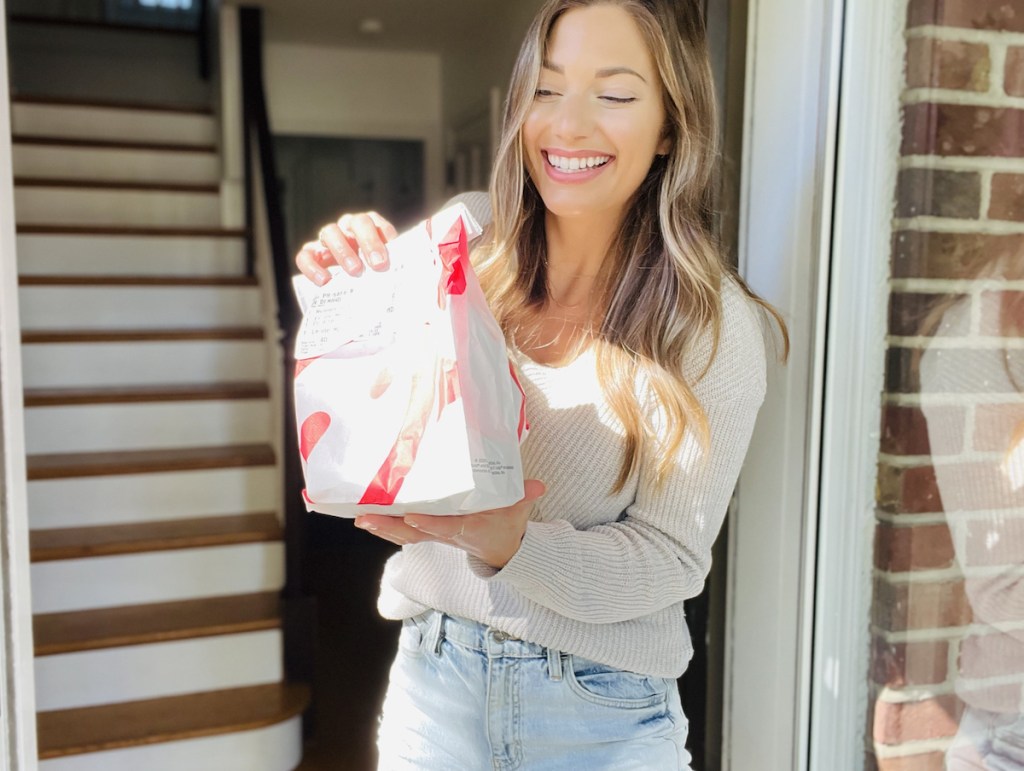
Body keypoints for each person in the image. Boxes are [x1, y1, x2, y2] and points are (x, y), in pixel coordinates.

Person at [294, 0, 787, 768]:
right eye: (546, 89)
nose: (567, 125)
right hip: (437, 681)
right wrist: (346, 277)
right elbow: (375, 401)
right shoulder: (465, 242)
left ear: (669, 127)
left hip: (603, 713)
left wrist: (512, 541)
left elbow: (670, 560)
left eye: (615, 95)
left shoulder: (713, 325)